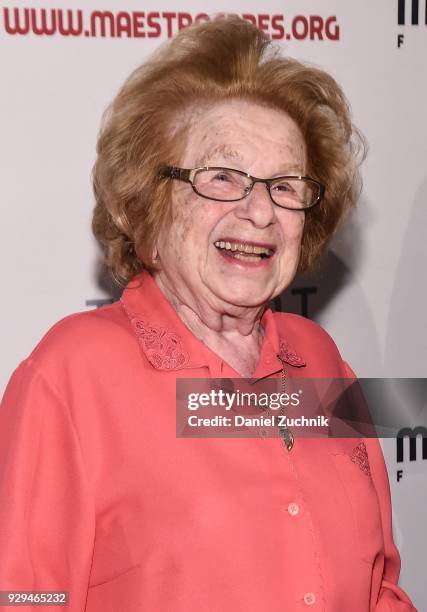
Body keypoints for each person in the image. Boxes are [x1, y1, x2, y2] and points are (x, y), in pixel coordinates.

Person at [0, 15, 417, 612]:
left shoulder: (323, 361)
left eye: (286, 185)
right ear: (149, 200)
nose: (260, 212)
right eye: (222, 177)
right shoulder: (70, 377)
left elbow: (379, 589)